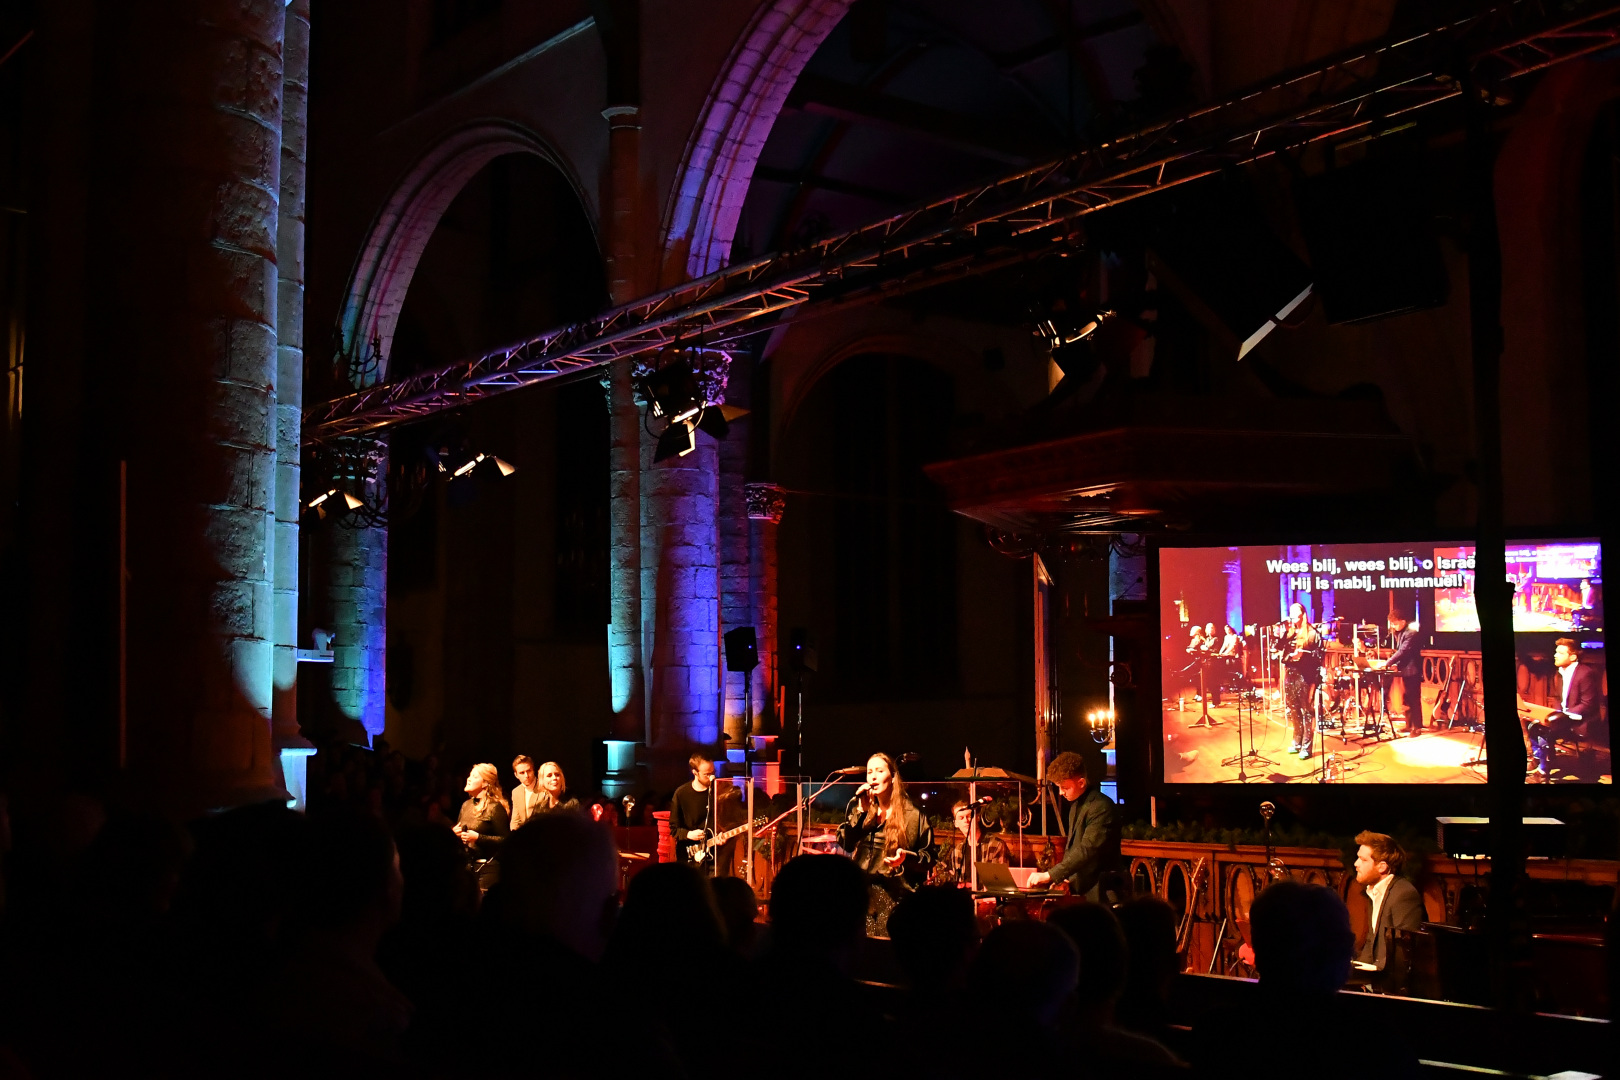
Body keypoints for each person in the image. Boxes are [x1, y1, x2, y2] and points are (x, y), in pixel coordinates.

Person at [1024, 751, 1120, 901]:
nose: (1061, 793)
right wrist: (1065, 880)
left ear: (1081, 783)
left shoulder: (1101, 806)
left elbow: (1087, 850)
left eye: (1064, 787)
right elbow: (1072, 849)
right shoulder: (1076, 804)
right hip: (1084, 888)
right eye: (1058, 788)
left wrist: (1050, 875)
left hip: (1102, 892)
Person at [836, 752, 934, 891]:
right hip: (862, 893)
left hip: (897, 895)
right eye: (869, 772)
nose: (873, 776)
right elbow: (847, 843)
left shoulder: (913, 814)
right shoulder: (861, 807)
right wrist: (860, 813)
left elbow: (929, 857)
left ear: (893, 777)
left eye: (879, 771)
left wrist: (906, 858)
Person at [1351, 831, 1425, 991]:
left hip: (1394, 990)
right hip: (1378, 983)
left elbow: (1405, 954)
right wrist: (1356, 977)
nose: (1356, 864)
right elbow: (1372, 943)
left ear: (1382, 867)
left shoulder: (1404, 894)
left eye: (1363, 860)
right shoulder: (1373, 891)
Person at [1526, 638, 1602, 781]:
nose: (1555, 655)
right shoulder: (1559, 673)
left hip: (1580, 721)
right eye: (1556, 652)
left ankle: (1543, 770)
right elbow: (1556, 698)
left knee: (1545, 731)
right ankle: (1539, 757)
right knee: (1532, 725)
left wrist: (1563, 716)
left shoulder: (1585, 673)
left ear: (1572, 657)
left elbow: (1587, 705)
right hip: (1565, 718)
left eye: (1560, 653)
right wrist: (1556, 714)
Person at [452, 763, 509, 891]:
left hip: (486, 869)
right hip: (467, 867)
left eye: (474, 776)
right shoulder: (466, 805)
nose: (469, 779)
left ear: (485, 783)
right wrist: (453, 834)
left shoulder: (494, 808)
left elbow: (506, 840)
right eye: (469, 776)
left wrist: (478, 837)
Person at [1279, 602, 1323, 759]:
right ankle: (1296, 741)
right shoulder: (1289, 633)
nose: (1292, 614)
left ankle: (1306, 746)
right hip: (1290, 675)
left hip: (1305, 676)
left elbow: (1319, 658)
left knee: (1306, 711)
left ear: (1302, 614)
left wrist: (1303, 656)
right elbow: (1282, 655)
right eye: (1290, 611)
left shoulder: (1312, 633)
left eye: (1295, 611)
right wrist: (1289, 657)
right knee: (1294, 710)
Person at [1372, 605, 1425, 734]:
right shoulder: (1400, 633)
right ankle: (1409, 724)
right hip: (1405, 669)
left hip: (1413, 670)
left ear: (1403, 621)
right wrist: (1395, 664)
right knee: (1407, 698)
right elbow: (1401, 652)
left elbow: (1403, 651)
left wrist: (1388, 663)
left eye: (1395, 624)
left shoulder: (1411, 634)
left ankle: (1417, 727)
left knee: (1414, 698)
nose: (1393, 626)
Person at [669, 754, 717, 867]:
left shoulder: (719, 791)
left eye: (713, 772)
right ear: (695, 772)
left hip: (714, 854)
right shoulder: (681, 793)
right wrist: (688, 834)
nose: (712, 777)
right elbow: (673, 828)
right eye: (707, 774)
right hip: (689, 853)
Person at [509, 755, 542, 830]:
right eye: (522, 773)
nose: (526, 775)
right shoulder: (516, 792)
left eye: (529, 771)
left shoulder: (544, 787)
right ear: (516, 775)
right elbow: (515, 821)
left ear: (533, 770)